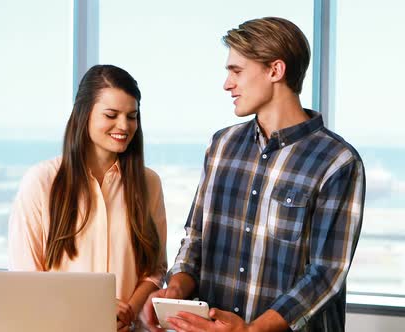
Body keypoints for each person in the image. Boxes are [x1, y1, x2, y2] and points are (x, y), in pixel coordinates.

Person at [140, 17, 365, 332]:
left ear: (275, 70)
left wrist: (252, 330)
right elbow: (196, 238)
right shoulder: (221, 145)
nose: (227, 84)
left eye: (236, 71)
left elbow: (326, 274)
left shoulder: (337, 162)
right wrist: (175, 289)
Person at [9, 64, 167, 331]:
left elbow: (154, 269)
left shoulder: (149, 183)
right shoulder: (41, 182)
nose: (124, 126)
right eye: (111, 114)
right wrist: (92, 310)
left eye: (131, 116)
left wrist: (127, 312)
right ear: (84, 115)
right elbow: (26, 278)